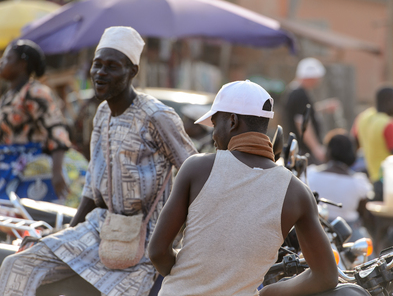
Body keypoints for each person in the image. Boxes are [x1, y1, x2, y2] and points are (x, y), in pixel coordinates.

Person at [0, 26, 197, 296]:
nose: (101, 73)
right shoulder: (103, 113)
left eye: (112, 66)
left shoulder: (156, 116)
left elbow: (194, 171)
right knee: (18, 264)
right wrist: (62, 237)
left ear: (132, 72)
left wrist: (177, 237)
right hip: (98, 227)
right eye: (97, 65)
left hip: (146, 237)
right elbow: (92, 188)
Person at [149, 80, 338, 296]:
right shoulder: (297, 192)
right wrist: (267, 293)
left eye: (214, 123)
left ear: (232, 121)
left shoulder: (197, 167)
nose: (213, 135)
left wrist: (187, 275)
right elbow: (326, 277)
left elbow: (157, 252)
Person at [0, 39, 71, 201]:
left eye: (8, 59)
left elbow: (56, 130)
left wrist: (57, 172)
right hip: (8, 166)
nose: (2, 63)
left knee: (25, 219)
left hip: (31, 170)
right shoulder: (9, 95)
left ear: (22, 64)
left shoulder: (36, 92)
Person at [307, 129, 372, 241]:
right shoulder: (358, 182)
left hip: (316, 231)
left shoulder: (310, 175)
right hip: (349, 235)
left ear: (328, 151)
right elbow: (363, 212)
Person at [351, 85, 393, 201]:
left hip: (372, 179)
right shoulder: (389, 124)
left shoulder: (363, 118)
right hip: (389, 182)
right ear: (388, 102)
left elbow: (354, 145)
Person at [283, 57, 337, 165]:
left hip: (297, 149)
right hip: (303, 151)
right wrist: (316, 148)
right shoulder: (300, 94)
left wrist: (324, 107)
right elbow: (302, 122)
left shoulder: (294, 91)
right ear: (310, 77)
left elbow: (304, 111)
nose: (318, 81)